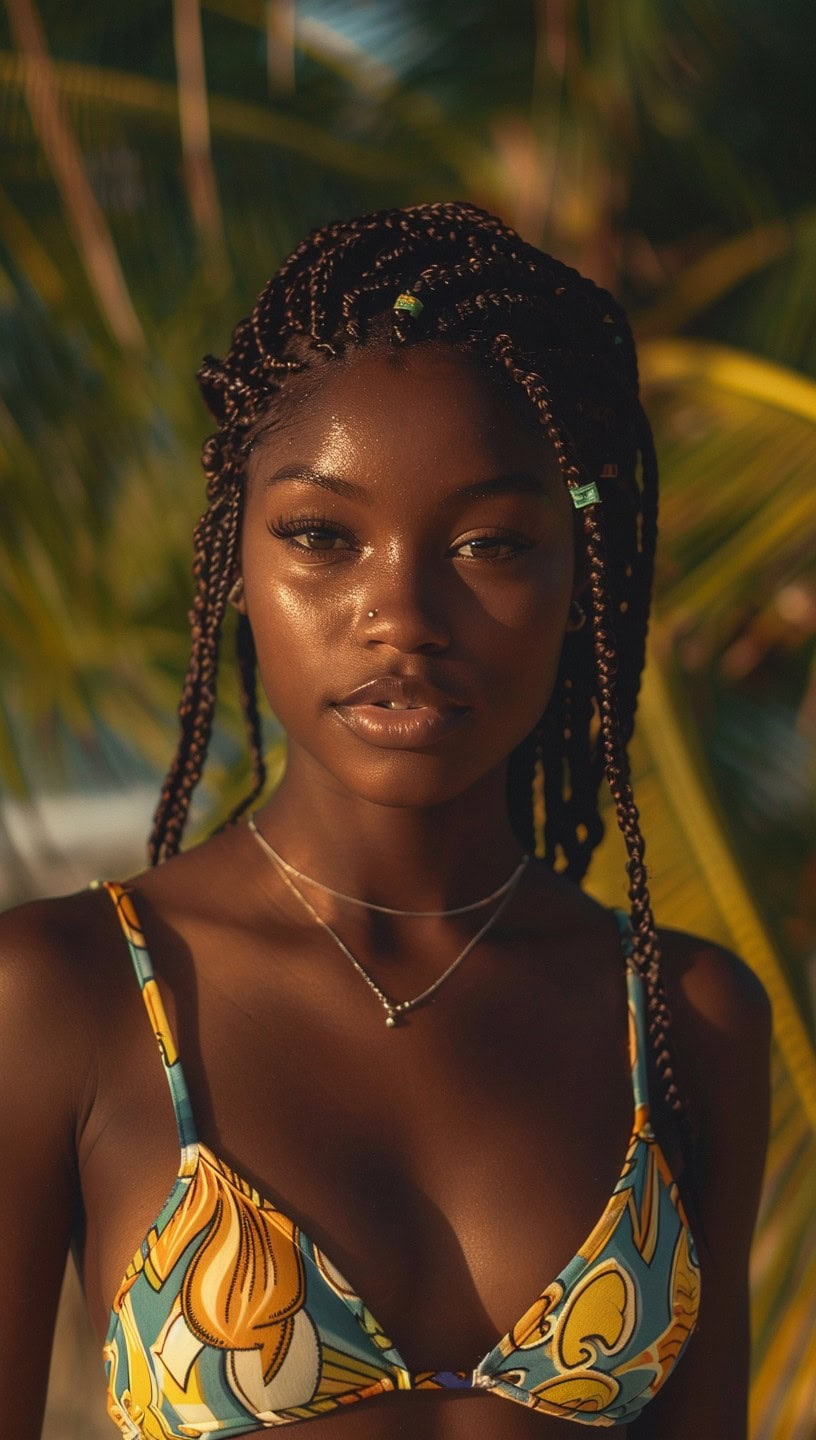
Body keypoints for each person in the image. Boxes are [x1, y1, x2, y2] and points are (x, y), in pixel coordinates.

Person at [1, 202, 771, 1440]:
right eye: (323, 534)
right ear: (235, 562)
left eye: (488, 541)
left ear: (584, 576)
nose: (401, 612)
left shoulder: (684, 1022)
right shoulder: (64, 994)